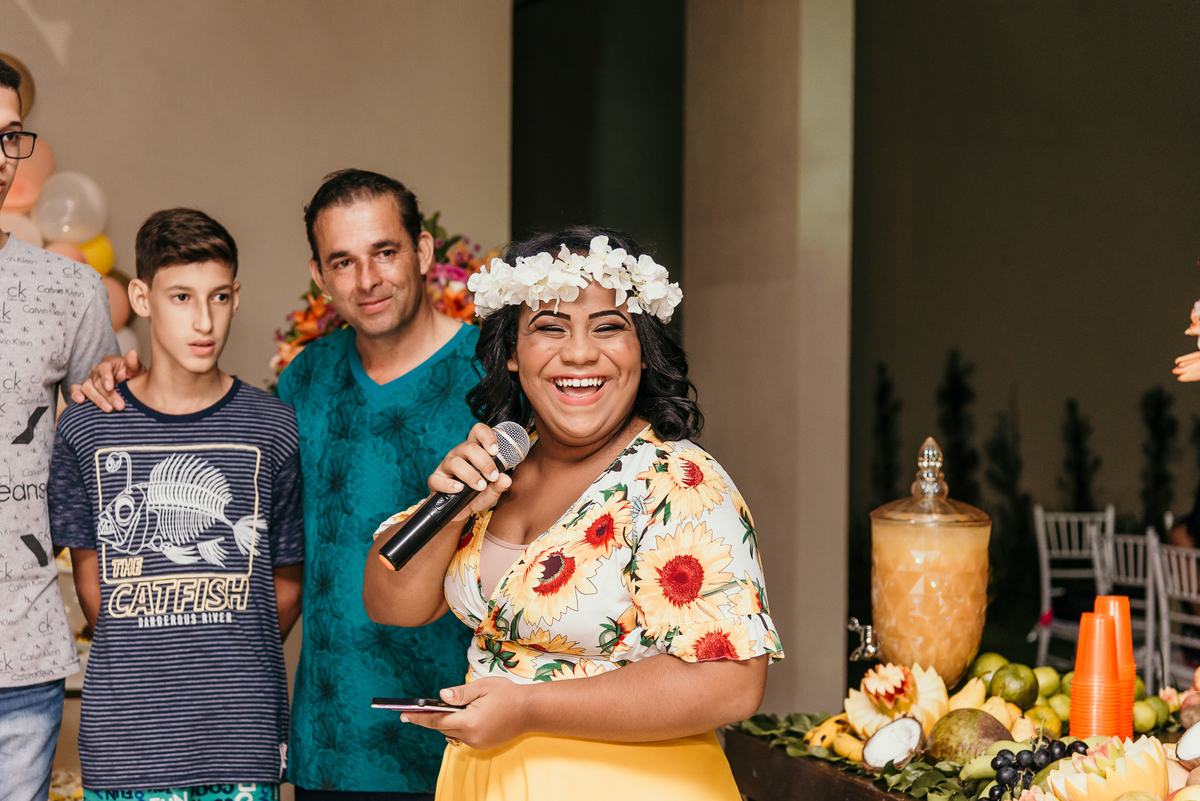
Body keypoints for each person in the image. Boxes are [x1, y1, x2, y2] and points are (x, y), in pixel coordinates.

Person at [72, 169, 479, 799]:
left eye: (385, 252)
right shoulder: (304, 379)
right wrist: (119, 375)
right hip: (329, 738)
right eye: (342, 261)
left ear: (423, 251)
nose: (367, 280)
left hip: (458, 731)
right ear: (320, 277)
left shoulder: (495, 375)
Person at [363, 227, 783, 800]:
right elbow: (391, 602)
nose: (580, 353)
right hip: (487, 782)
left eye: (608, 327)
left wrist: (528, 708)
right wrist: (455, 511)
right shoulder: (497, 464)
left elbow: (730, 683)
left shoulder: (677, 481)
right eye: (550, 327)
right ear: (513, 353)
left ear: (642, 351)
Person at [48, 208, 304, 800]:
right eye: (181, 297)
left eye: (219, 297)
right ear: (141, 298)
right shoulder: (87, 427)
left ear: (236, 297)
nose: (204, 320)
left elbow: (287, 584)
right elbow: (94, 589)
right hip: (126, 743)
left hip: (241, 738)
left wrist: (223, 648)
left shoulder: (274, 426)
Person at [0, 57, 120, 801]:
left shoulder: (68, 288)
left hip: (23, 658)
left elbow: (102, 460)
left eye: (9, 136)